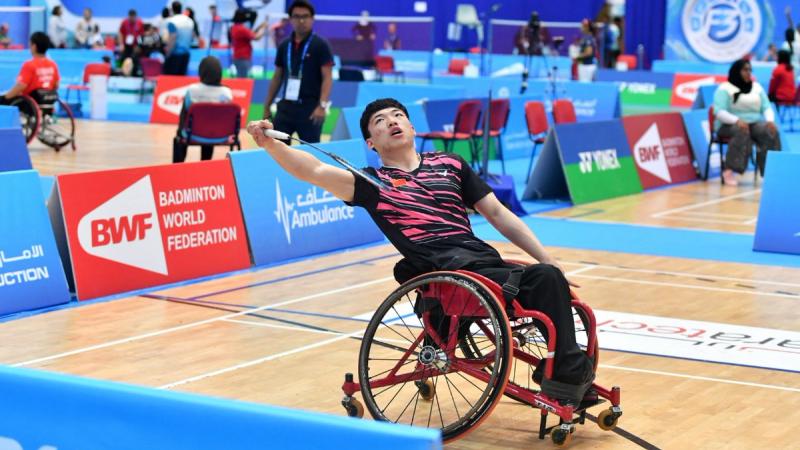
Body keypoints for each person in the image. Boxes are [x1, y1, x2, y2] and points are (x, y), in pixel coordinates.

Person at [245, 97, 596, 405]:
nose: (391, 122)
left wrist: (549, 259)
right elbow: (315, 170)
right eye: (380, 122)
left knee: (550, 278)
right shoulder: (372, 183)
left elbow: (499, 214)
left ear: (411, 126)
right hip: (449, 271)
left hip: (484, 264)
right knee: (546, 281)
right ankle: (568, 376)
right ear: (371, 142)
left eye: (397, 115)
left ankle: (562, 371)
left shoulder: (451, 165)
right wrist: (271, 144)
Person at [263, 0, 334, 144]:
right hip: (285, 108)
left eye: (305, 16)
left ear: (312, 18)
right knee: (277, 151)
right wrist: (267, 106)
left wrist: (322, 106)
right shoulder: (284, 45)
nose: (301, 20)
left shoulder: (321, 45)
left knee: (310, 156)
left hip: (310, 109)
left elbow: (328, 77)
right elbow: (277, 77)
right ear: (290, 19)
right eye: (296, 16)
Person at [713, 59, 781, 186]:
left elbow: (766, 107)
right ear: (736, 71)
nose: (748, 72)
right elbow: (719, 112)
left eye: (750, 70)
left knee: (770, 132)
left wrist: (770, 121)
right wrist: (737, 120)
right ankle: (729, 170)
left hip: (753, 123)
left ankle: (770, 172)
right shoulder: (724, 88)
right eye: (745, 70)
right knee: (742, 131)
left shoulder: (756, 87)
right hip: (728, 125)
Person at [173, 56, 233, 163]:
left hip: (194, 134)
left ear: (201, 71)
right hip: (219, 136)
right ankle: (205, 164)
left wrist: (179, 132)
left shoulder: (192, 90)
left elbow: (183, 115)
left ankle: (177, 167)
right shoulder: (227, 93)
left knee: (181, 136)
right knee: (211, 126)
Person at [1, 32, 59, 104]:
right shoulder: (53, 64)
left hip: (30, 103)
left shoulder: (29, 65)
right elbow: (56, 85)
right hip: (48, 101)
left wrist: (5, 97)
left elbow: (21, 86)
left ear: (34, 46)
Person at [231, 9, 267, 78]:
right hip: (242, 57)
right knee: (242, 79)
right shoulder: (241, 28)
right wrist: (263, 29)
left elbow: (251, 33)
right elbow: (256, 37)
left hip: (239, 57)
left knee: (241, 77)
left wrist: (260, 27)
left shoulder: (235, 27)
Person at [164, 1, 194, 76]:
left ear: (172, 9)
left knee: (170, 81)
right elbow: (192, 37)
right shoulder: (189, 21)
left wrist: (168, 53)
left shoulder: (172, 21)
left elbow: (172, 38)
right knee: (181, 81)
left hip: (175, 55)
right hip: (186, 55)